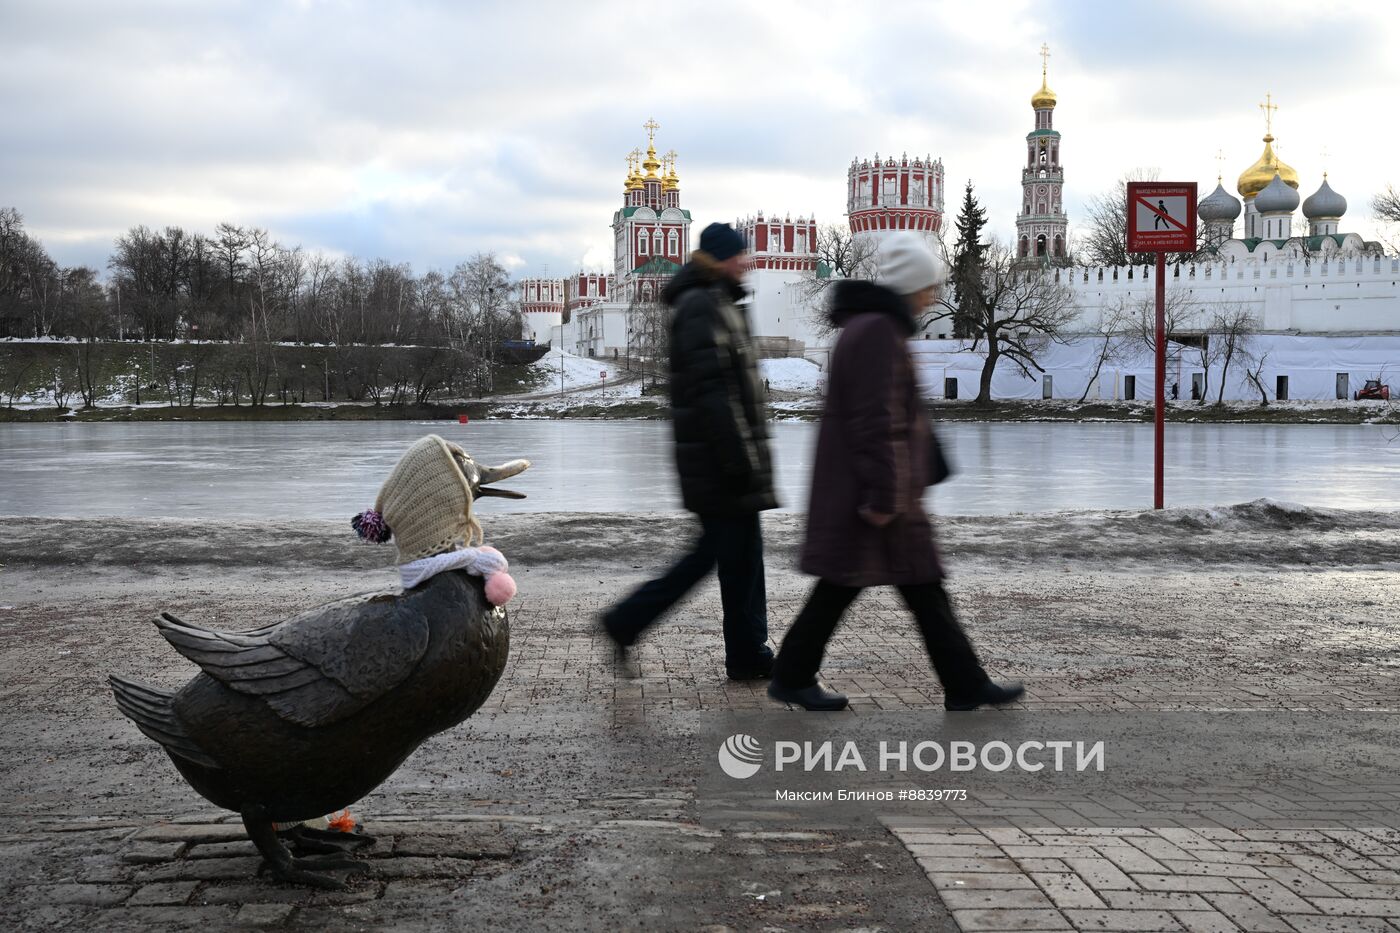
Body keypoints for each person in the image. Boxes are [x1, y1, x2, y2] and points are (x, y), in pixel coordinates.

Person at [767, 232, 1024, 712]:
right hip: (877, 493)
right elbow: (878, 421)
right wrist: (886, 496)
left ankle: (963, 683)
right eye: (930, 286)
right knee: (869, 586)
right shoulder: (878, 333)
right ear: (911, 286)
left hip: (877, 488)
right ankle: (794, 675)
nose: (935, 295)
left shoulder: (870, 328)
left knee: (907, 588)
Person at [600, 223, 778, 680]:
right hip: (719, 462)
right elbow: (714, 392)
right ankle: (626, 621)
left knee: (738, 558)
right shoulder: (703, 306)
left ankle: (746, 652)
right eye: (739, 255)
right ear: (718, 259)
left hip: (723, 458)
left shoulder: (720, 302)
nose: (746, 262)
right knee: (716, 557)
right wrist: (740, 459)